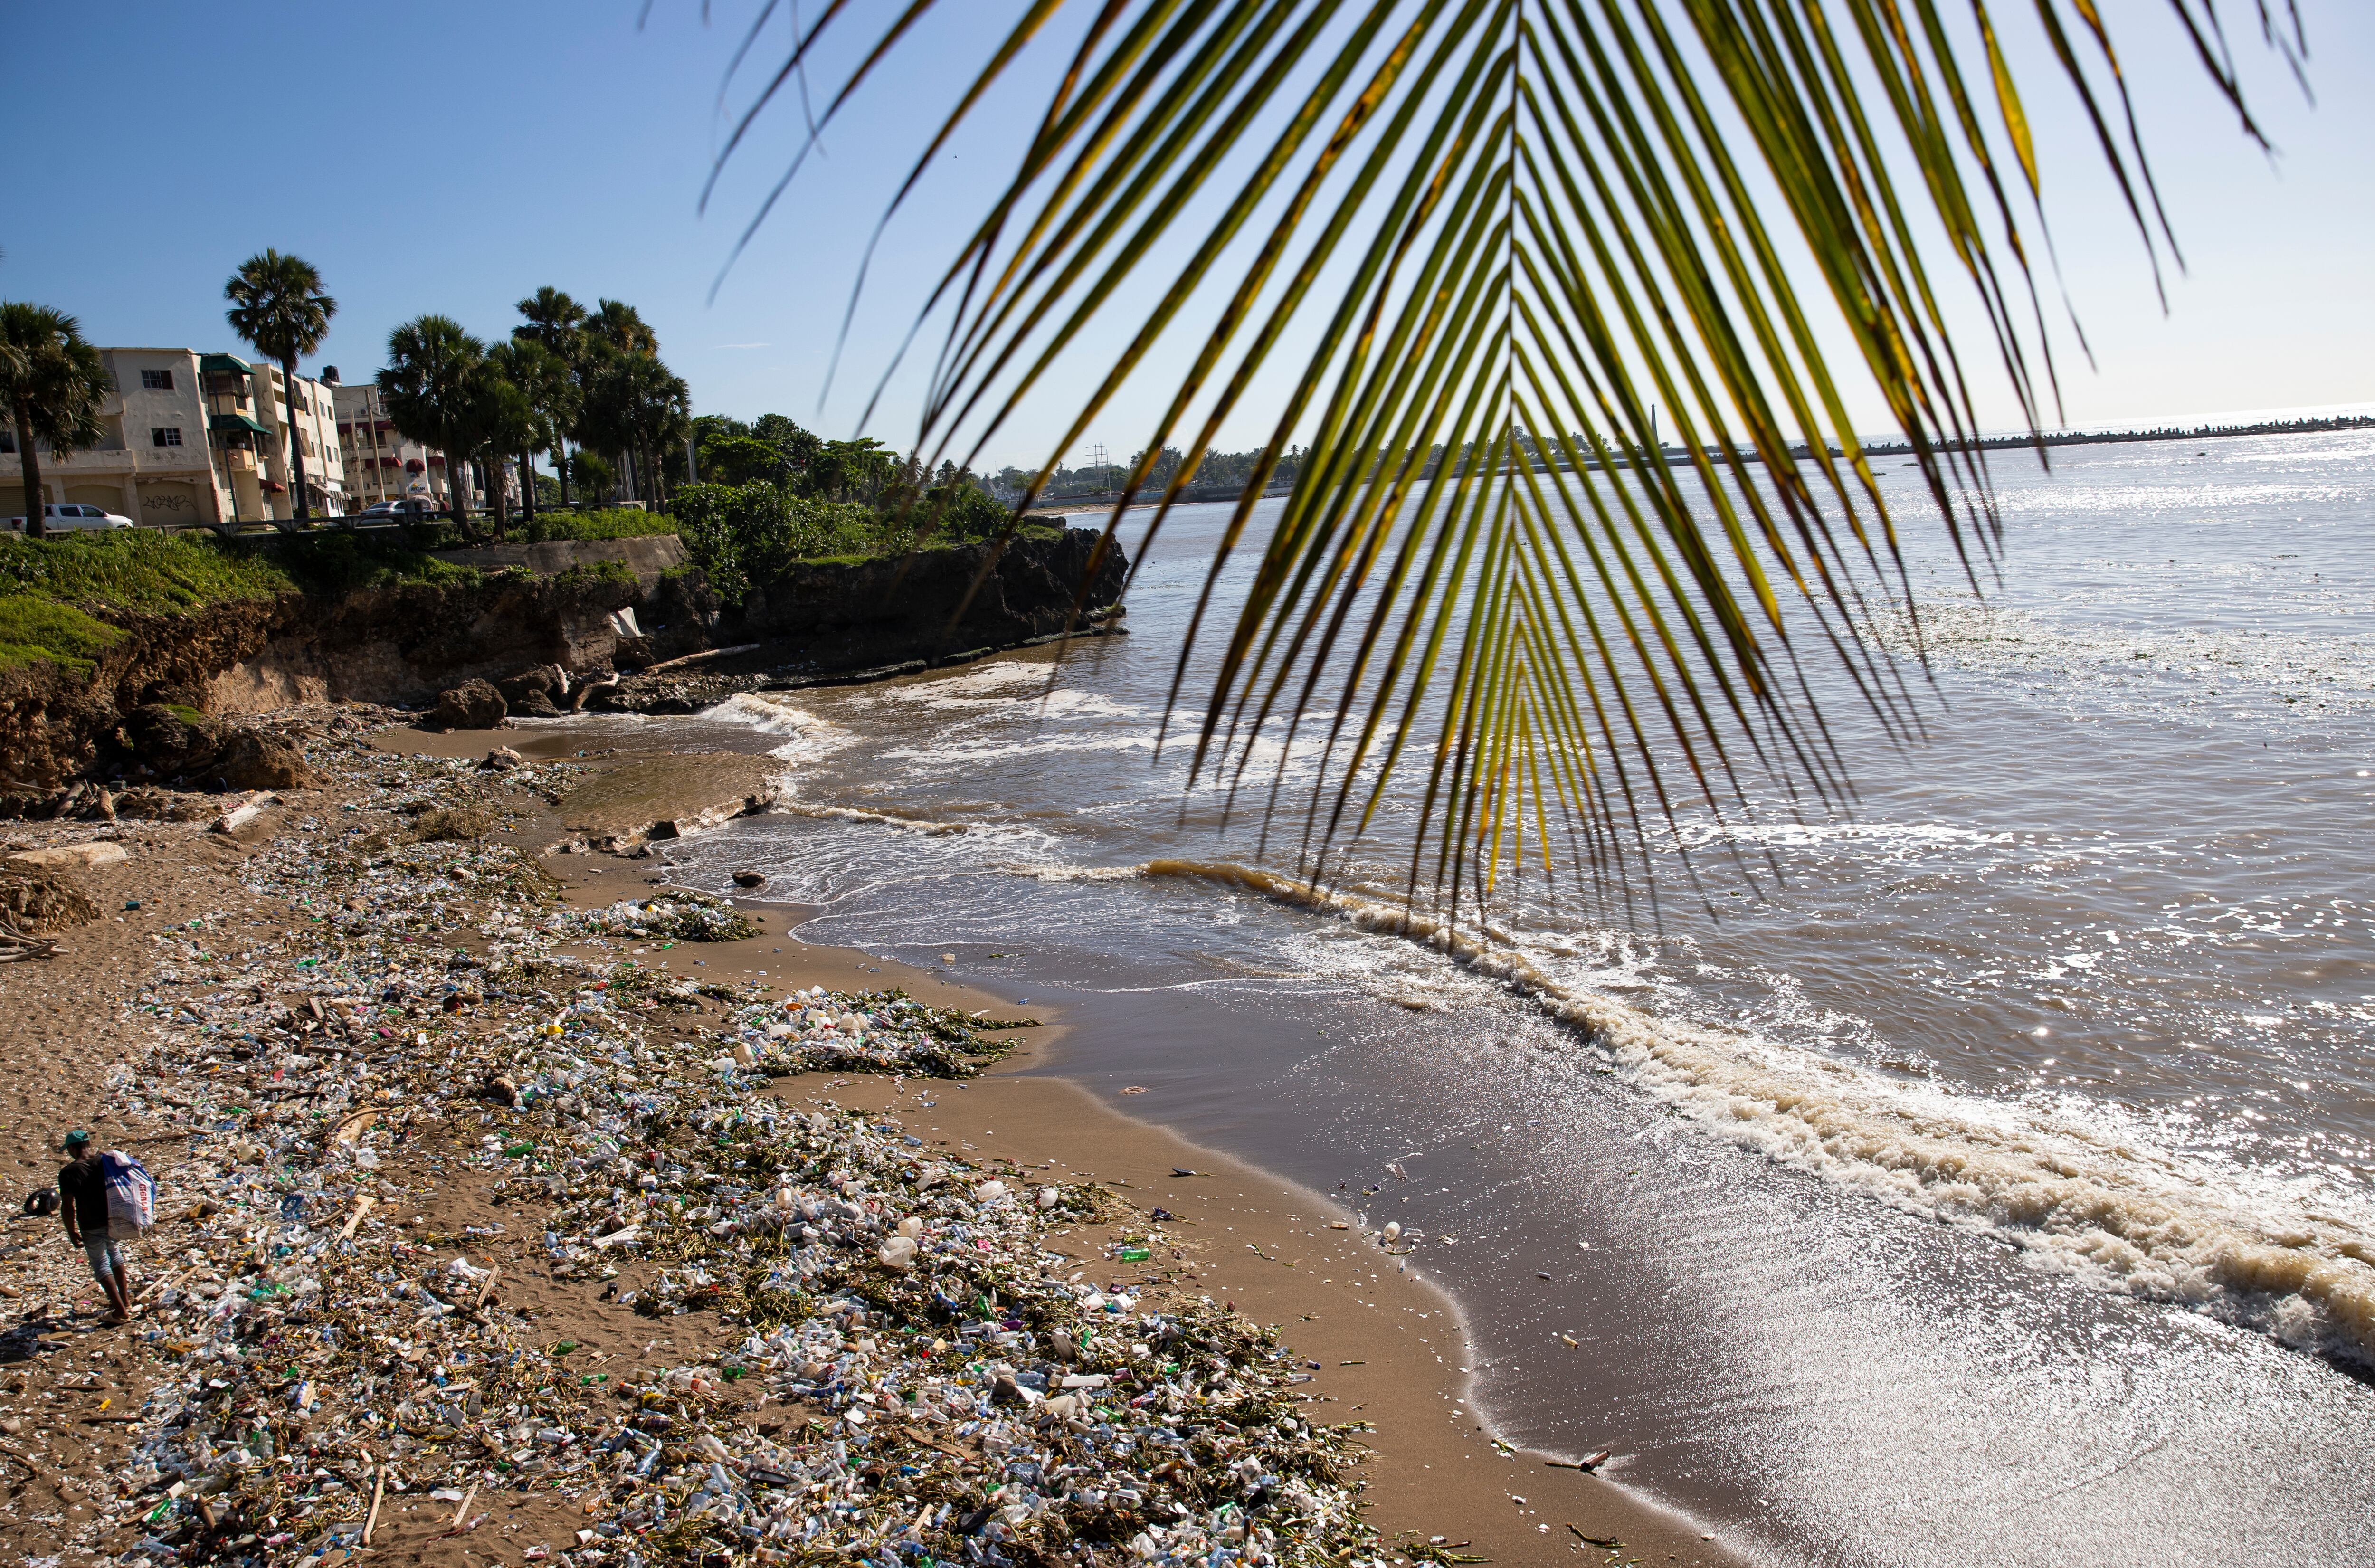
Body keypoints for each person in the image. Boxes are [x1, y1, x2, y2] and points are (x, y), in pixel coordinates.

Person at [57, 1130, 133, 1325]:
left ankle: (120, 1311)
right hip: (112, 1218)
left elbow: (68, 1205)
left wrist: (71, 1230)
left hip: (90, 1224)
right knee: (115, 1255)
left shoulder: (68, 1172)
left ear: (72, 1148)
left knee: (100, 1265)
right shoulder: (105, 1162)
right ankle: (126, 1301)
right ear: (89, 1143)